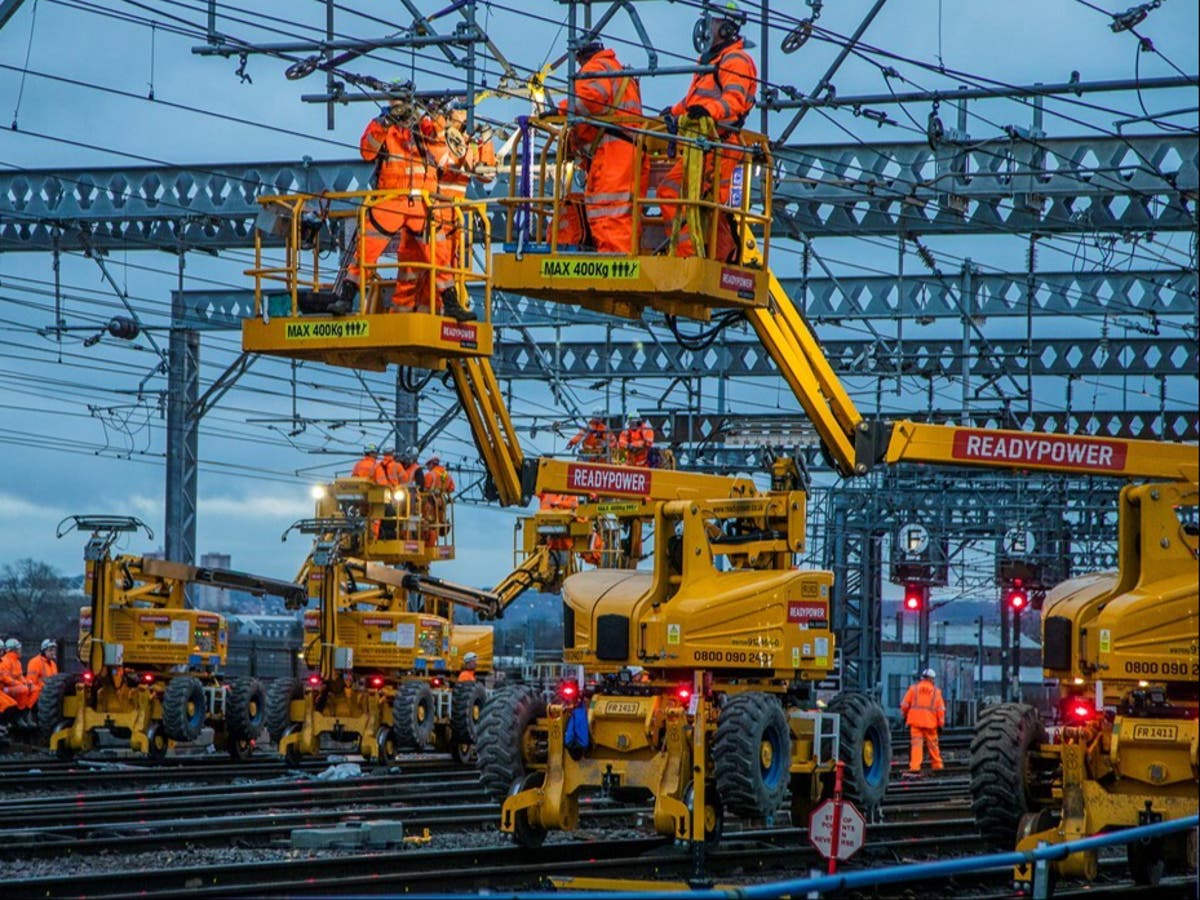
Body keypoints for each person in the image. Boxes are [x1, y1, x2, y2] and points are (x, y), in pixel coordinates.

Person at [657, 2, 757, 261]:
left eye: (711, 22)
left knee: (691, 199)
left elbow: (733, 102)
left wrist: (709, 112)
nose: (705, 27)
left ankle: (691, 256)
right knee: (707, 206)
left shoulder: (736, 61)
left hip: (719, 145)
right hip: (703, 144)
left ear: (724, 28)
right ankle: (717, 254)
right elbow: (694, 103)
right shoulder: (711, 61)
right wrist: (673, 112)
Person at [342, 95, 443, 314]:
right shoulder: (382, 125)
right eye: (394, 104)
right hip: (391, 201)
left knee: (435, 256)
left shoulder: (423, 125)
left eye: (401, 104)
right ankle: (347, 297)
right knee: (367, 250)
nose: (398, 110)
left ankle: (448, 302)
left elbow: (440, 146)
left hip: (421, 203)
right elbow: (367, 152)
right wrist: (384, 124)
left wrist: (436, 116)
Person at [553, 40, 643, 253]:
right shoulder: (618, 71)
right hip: (627, 151)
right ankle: (623, 256)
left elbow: (591, 99)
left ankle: (614, 267)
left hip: (613, 154)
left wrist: (561, 110)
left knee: (607, 211)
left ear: (580, 57)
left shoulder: (595, 67)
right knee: (623, 213)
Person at [900, 668, 946, 774]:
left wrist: (905, 715)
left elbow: (904, 705)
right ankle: (937, 766)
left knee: (916, 746)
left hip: (915, 723)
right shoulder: (936, 692)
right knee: (933, 746)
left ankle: (915, 767)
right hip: (930, 723)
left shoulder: (913, 689)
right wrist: (941, 724)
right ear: (932, 679)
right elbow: (941, 710)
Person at [0, 638, 33, 719]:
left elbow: (19, 676)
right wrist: (19, 684)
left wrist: (25, 682)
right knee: (7, 705)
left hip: (5, 688)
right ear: (13, 650)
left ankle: (23, 715)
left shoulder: (16, 662)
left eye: (1, 650)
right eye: (18, 649)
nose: (2, 653)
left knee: (12, 704)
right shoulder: (5, 661)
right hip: (6, 688)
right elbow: (5, 678)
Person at [26, 639, 57, 707]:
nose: (53, 652)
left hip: (50, 696)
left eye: (54, 650)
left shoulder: (53, 664)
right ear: (43, 651)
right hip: (38, 698)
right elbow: (31, 683)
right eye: (50, 650)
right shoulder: (35, 662)